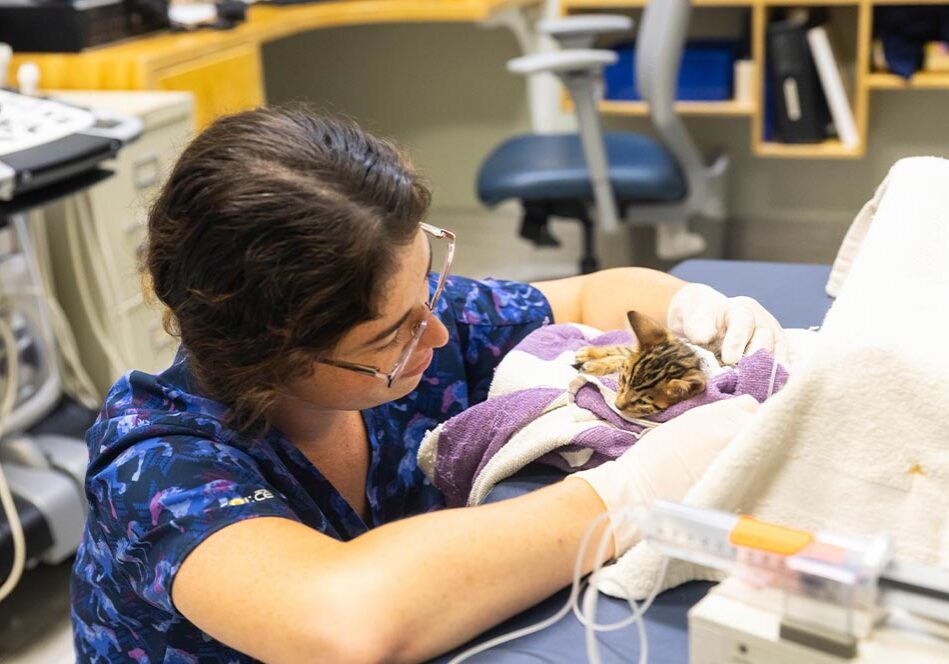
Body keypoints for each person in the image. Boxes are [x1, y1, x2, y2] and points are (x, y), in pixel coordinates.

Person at [71, 106, 785, 663]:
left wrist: (689, 312)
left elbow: (589, 298)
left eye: (426, 291)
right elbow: (347, 621)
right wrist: (628, 494)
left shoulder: (410, 332)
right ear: (272, 352)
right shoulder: (156, 463)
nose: (437, 333)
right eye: (391, 333)